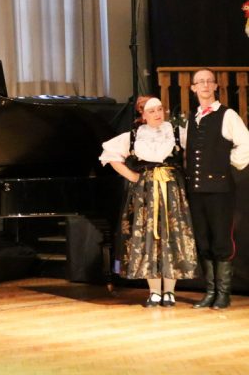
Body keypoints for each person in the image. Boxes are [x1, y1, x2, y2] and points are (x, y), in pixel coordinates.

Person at [100, 96, 197, 307]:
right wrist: (133, 177)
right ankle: (154, 291)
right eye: (152, 111)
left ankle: (169, 291)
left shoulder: (176, 133)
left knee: (172, 236)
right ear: (143, 115)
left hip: (172, 191)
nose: (157, 114)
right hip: (145, 193)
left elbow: (195, 152)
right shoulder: (134, 136)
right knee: (148, 237)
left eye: (160, 109)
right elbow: (109, 155)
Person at [182, 68, 249, 309]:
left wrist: (226, 163)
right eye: (200, 82)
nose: (205, 85)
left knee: (221, 240)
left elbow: (246, 143)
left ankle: (223, 293)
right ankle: (209, 292)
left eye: (209, 81)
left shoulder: (227, 115)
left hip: (220, 190)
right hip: (196, 190)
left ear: (215, 86)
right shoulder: (192, 117)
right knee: (203, 240)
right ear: (193, 88)